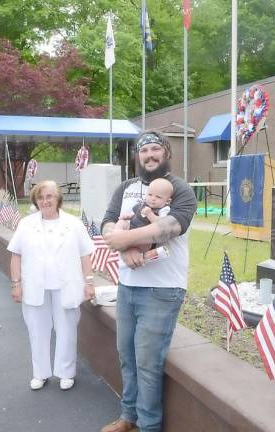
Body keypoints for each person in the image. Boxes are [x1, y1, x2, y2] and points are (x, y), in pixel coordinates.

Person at [100, 130, 197, 432]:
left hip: (162, 290)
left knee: (148, 364)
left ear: (167, 153)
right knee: (127, 357)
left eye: (156, 149)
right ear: (137, 156)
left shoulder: (180, 189)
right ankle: (129, 418)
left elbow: (167, 228)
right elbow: (107, 222)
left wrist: (121, 240)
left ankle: (149, 426)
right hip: (127, 286)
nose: (150, 155)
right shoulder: (126, 188)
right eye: (144, 150)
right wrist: (123, 245)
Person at [8, 180, 95, 391]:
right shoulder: (26, 224)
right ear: (35, 201)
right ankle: (40, 373)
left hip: (66, 285)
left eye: (50, 196)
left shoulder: (74, 224)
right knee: (37, 330)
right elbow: (16, 255)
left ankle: (66, 373)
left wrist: (89, 282)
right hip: (35, 287)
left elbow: (85, 255)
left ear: (58, 199)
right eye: (41, 197)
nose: (45, 201)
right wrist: (16, 283)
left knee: (66, 330)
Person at [115, 177, 173, 253]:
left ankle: (134, 250)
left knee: (146, 243)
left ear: (167, 201)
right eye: (150, 195)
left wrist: (150, 214)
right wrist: (128, 216)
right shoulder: (143, 204)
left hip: (145, 237)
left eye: (158, 197)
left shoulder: (164, 209)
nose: (153, 198)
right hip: (132, 228)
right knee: (122, 222)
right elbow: (136, 213)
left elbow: (161, 224)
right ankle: (116, 238)